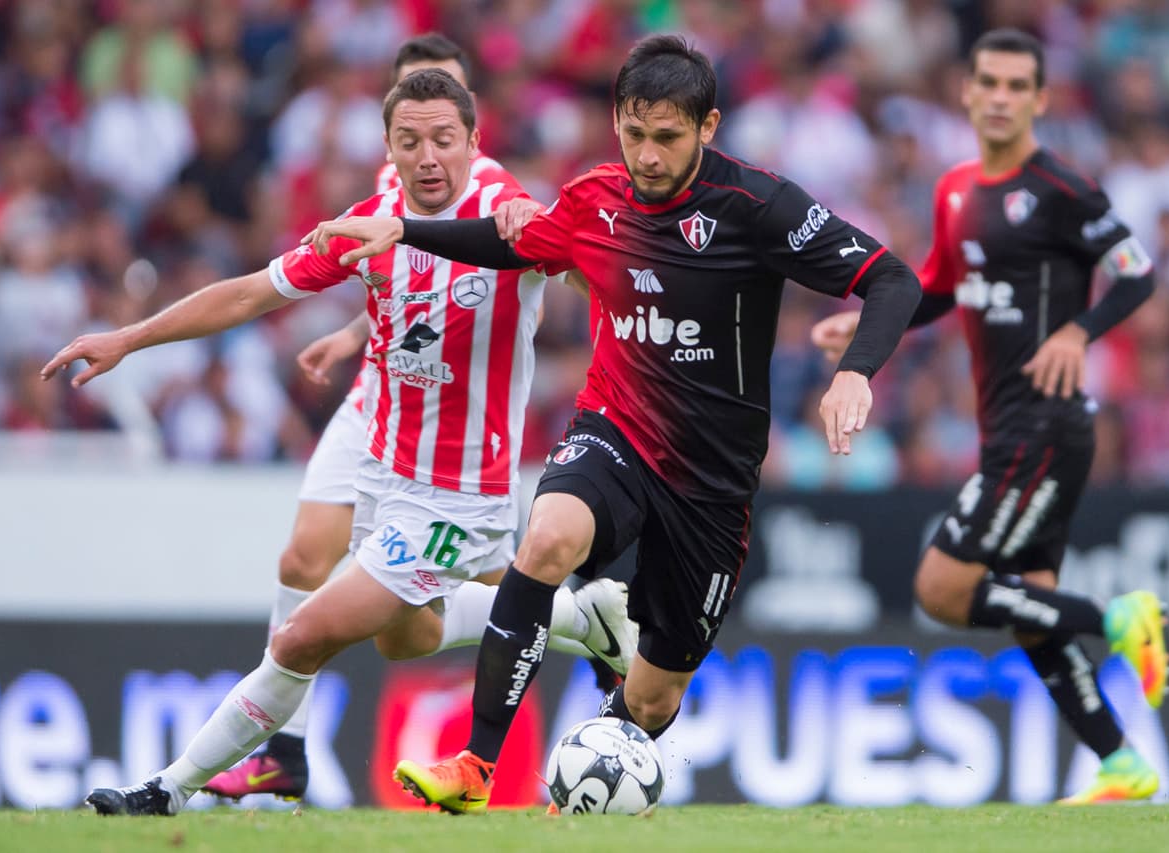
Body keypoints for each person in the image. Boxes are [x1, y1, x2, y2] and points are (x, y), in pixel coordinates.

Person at [302, 34, 924, 814]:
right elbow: (512, 242)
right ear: (616, 121)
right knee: (547, 539)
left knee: (656, 697)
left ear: (708, 126)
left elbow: (892, 279)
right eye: (634, 134)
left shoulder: (758, 206)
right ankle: (477, 764)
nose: (648, 155)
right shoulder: (595, 198)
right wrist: (406, 229)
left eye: (668, 137)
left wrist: (855, 371)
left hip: (710, 481)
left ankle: (597, 760)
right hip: (616, 427)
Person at [43, 69, 634, 817]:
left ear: (473, 142)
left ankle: (165, 790)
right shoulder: (369, 226)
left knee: (302, 637)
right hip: (383, 478)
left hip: (458, 496)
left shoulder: (508, 217)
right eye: (410, 141)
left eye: (443, 140)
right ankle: (582, 618)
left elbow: (605, 282)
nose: (428, 157)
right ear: (386, 147)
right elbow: (251, 292)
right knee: (404, 639)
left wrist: (565, 255)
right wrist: (129, 338)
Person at [201, 31, 612, 806]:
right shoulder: (389, 187)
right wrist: (354, 332)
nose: (426, 145)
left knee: (440, 610)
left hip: (459, 420)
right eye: (409, 124)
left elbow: (489, 268)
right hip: (382, 394)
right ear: (390, 125)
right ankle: (284, 751)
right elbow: (402, 276)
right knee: (305, 557)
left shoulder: (497, 193)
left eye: (443, 118)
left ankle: (580, 623)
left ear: (470, 119)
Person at [811, 29, 1168, 805]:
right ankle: (1120, 760)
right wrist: (870, 327)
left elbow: (1138, 273)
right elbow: (940, 289)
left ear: (1039, 99)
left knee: (942, 588)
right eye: (990, 84)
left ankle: (1118, 618)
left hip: (1046, 424)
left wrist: (1078, 331)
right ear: (967, 93)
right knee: (1032, 602)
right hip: (1007, 425)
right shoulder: (955, 190)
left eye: (1017, 86)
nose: (1001, 98)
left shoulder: (1061, 188)